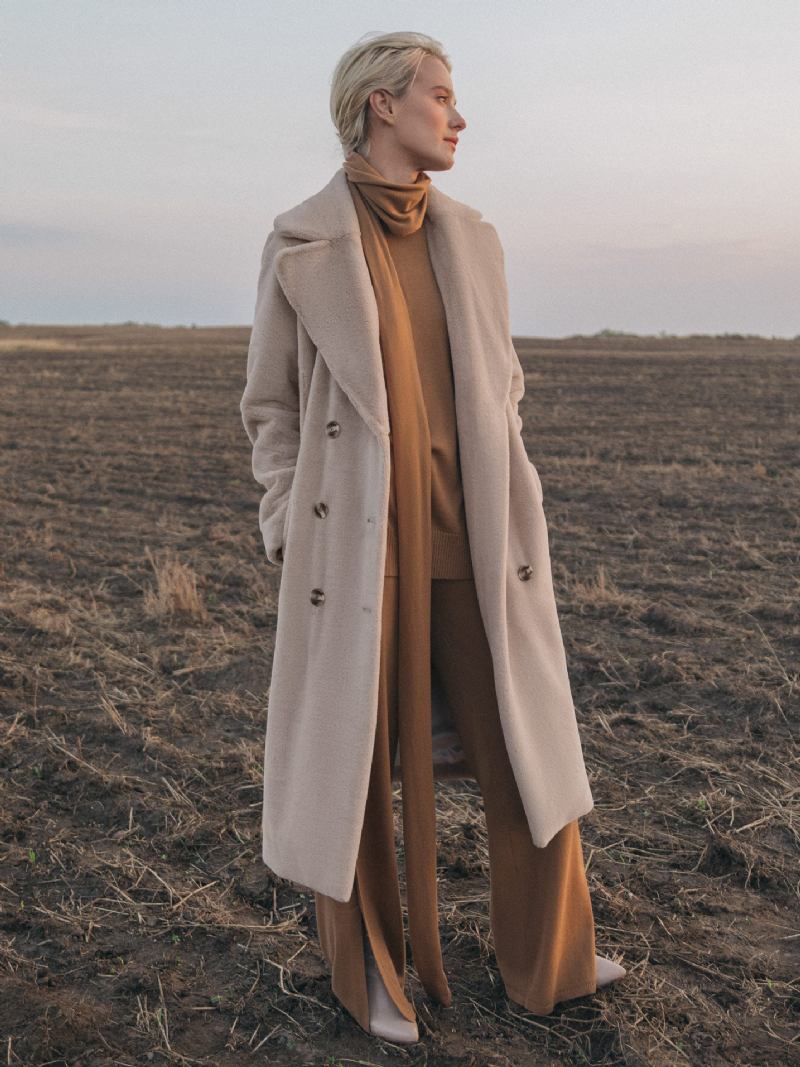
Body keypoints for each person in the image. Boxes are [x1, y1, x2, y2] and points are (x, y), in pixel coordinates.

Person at [240, 30, 626, 1045]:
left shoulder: (473, 238)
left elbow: (501, 387)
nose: (458, 118)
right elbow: (268, 407)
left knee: (525, 755)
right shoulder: (300, 241)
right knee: (352, 776)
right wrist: (288, 524)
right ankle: (368, 976)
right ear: (380, 104)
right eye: (441, 97)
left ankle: (553, 958)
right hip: (352, 552)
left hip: (474, 543)